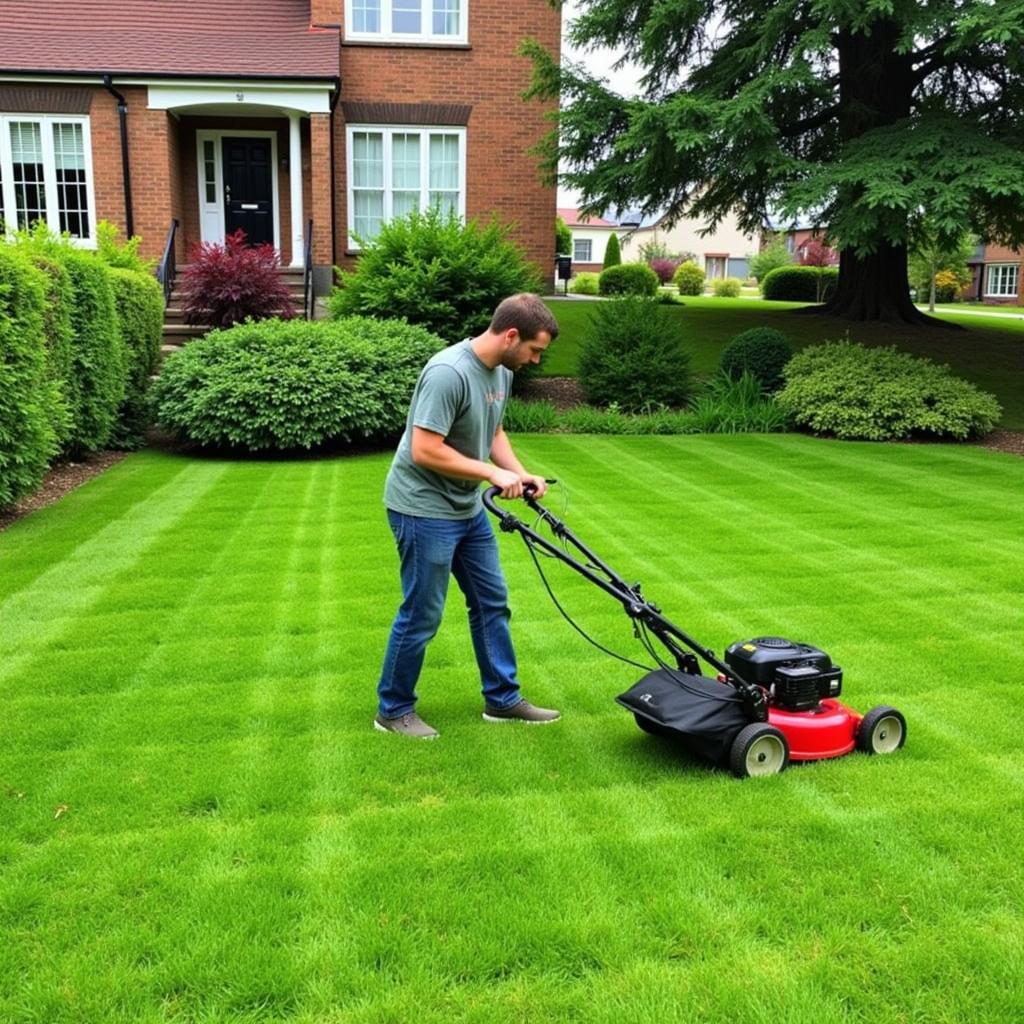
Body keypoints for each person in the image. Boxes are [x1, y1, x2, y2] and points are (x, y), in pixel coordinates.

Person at [375, 293, 561, 739]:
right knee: (422, 612)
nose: (536, 360)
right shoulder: (449, 372)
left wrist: (518, 472)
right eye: (534, 350)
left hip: (465, 507)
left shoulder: (501, 371)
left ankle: (503, 699)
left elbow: (493, 429)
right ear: (511, 335)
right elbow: (425, 449)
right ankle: (393, 709)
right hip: (422, 508)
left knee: (491, 600)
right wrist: (490, 473)